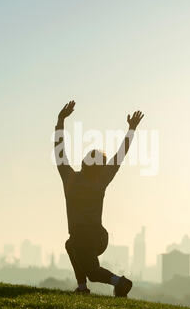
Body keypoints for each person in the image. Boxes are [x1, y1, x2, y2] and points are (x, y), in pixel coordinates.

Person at [54, 100, 144, 297]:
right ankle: (82, 288)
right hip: (99, 237)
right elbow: (119, 156)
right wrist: (131, 130)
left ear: (84, 162)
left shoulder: (70, 178)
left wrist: (60, 121)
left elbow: (59, 151)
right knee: (71, 245)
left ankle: (120, 282)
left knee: (93, 272)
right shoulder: (101, 181)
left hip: (83, 235)